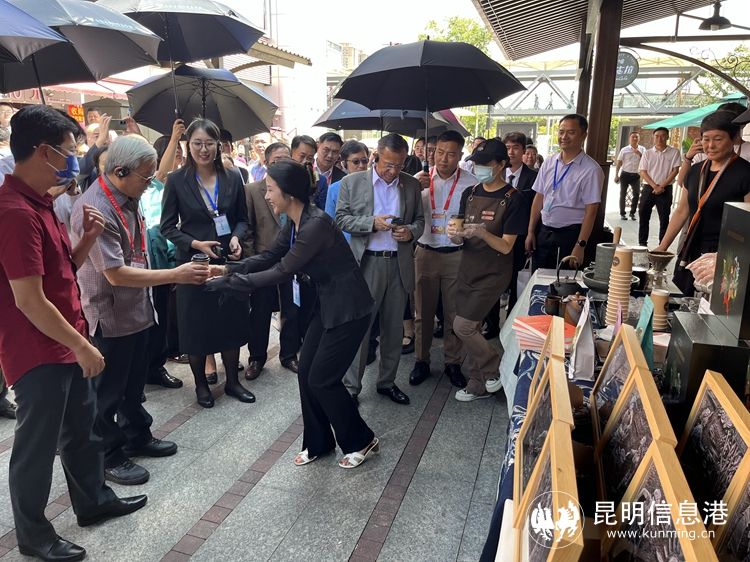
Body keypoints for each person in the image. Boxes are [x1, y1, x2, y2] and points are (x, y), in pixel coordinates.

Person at [0, 105, 146, 562]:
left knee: (81, 432)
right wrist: (82, 345)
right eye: (68, 150)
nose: (74, 159)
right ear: (43, 152)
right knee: (37, 447)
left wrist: (84, 242)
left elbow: (60, 273)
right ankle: (34, 534)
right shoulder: (14, 212)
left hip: (67, 338)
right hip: (40, 348)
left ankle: (93, 500)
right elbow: (29, 300)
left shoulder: (42, 202)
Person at [206, 160, 380, 469]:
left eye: (270, 190)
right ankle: (319, 442)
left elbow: (282, 271)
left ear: (289, 193)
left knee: (322, 379)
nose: (267, 195)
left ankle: (361, 439)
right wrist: (227, 269)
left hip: (349, 309)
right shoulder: (296, 221)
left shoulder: (315, 225)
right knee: (307, 375)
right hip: (325, 306)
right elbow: (271, 256)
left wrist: (231, 283)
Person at [71, 135, 207, 485]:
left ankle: (136, 435)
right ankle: (108, 455)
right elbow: (115, 274)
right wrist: (175, 274)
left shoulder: (129, 197)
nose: (151, 183)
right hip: (110, 314)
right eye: (146, 177)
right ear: (120, 171)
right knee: (107, 393)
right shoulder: (95, 208)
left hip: (137, 308)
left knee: (133, 386)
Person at [161, 118, 255, 408]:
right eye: (198, 143)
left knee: (230, 322)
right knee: (196, 325)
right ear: (188, 146)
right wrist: (195, 244)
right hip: (194, 265)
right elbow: (167, 227)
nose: (204, 149)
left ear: (219, 146)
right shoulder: (177, 180)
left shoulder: (233, 177)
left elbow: (242, 219)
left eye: (209, 143)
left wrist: (237, 237)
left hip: (227, 262)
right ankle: (201, 386)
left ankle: (233, 382)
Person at [336, 133, 425, 406]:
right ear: (376, 156)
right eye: (388, 164)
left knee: (393, 329)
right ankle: (351, 387)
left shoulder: (410, 184)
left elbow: (420, 221)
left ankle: (387, 382)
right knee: (361, 329)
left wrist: (410, 232)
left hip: (398, 263)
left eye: (399, 165)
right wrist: (371, 223)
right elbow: (341, 219)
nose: (393, 171)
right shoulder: (352, 182)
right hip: (367, 263)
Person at [446, 139, 526, 401]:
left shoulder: (514, 199)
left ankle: (495, 367)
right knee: (474, 328)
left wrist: (481, 232)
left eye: (485, 163)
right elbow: (458, 236)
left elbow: (506, 246)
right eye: (476, 163)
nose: (478, 168)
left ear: (501, 164)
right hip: (468, 268)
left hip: (494, 273)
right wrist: (455, 235)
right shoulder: (469, 193)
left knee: (463, 326)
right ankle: (477, 383)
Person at [654, 111, 750, 295]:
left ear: (733, 139)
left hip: (724, 255)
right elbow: (682, 210)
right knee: (685, 301)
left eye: (718, 139)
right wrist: (662, 247)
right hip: (692, 249)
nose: (710, 145)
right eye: (706, 139)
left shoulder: (745, 174)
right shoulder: (695, 171)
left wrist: (729, 257)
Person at [409, 131, 476, 388]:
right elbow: (405, 213)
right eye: (439, 152)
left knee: (453, 313)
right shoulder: (419, 180)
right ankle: (421, 360)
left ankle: (453, 362)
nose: (443, 159)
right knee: (422, 313)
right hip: (425, 252)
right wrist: (415, 190)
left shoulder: (470, 183)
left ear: (460, 155)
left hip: (456, 254)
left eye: (450, 154)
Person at [243, 141, 302, 380]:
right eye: (276, 160)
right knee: (260, 311)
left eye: (286, 159)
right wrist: (253, 261)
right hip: (263, 262)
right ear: (266, 163)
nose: (281, 164)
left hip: (292, 260)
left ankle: (289, 355)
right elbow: (247, 229)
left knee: (291, 309)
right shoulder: (251, 190)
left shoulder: (295, 189)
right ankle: (257, 358)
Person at [525, 114, 603, 270]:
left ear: (583, 135)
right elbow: (539, 197)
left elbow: (591, 211)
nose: (564, 137)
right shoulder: (549, 162)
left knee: (564, 281)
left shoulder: (591, 169)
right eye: (561, 132)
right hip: (544, 232)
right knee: (538, 277)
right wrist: (531, 231)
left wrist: (580, 245)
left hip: (570, 235)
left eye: (571, 132)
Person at [142, 120, 186, 389]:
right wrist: (174, 138)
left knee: (162, 315)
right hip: (139, 267)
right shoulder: (141, 189)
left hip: (162, 260)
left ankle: (155, 367)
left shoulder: (162, 187)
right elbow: (161, 172)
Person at [502, 132, 537, 312]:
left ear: (524, 150)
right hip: (498, 235)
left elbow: (535, 208)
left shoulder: (534, 177)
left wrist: (531, 233)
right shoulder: (497, 173)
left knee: (517, 278)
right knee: (497, 278)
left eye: (516, 148)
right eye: (507, 148)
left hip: (521, 235)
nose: (511, 152)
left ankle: (512, 317)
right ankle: (491, 323)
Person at [637, 126, 681, 246]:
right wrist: (655, 186)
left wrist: (662, 186)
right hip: (648, 188)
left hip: (666, 189)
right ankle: (642, 244)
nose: (659, 138)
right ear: (653, 137)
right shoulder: (647, 153)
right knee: (643, 216)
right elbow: (643, 171)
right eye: (657, 136)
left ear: (667, 137)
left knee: (664, 218)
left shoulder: (674, 152)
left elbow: (675, 170)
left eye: (662, 136)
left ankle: (662, 246)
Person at [325, 140, 369, 222]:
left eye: (364, 161)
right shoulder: (334, 189)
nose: (361, 166)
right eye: (356, 162)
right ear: (344, 164)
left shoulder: (375, 185)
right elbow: (330, 221)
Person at [614, 132, 645, 220]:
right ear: (629, 138)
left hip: (636, 175)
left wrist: (639, 154)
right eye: (633, 137)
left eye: (636, 137)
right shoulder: (624, 150)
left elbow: (646, 161)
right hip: (625, 174)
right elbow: (619, 162)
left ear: (639, 139)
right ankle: (622, 213)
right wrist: (616, 175)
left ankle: (632, 213)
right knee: (623, 194)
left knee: (636, 194)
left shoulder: (642, 149)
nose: (635, 138)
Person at [313, 132, 345, 209]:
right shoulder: (306, 170)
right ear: (318, 147)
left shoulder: (343, 179)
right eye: (326, 150)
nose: (330, 155)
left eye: (335, 152)